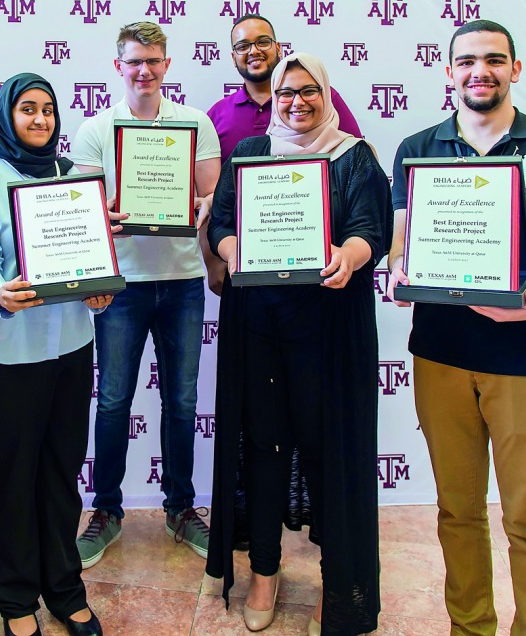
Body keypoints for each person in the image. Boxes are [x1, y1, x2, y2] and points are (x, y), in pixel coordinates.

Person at [387, 19, 526, 636]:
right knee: (457, 510)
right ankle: (468, 627)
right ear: (448, 72)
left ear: (515, 70)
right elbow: (401, 248)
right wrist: (398, 275)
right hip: (442, 353)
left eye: (495, 60)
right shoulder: (416, 149)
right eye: (468, 61)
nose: (482, 71)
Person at [205, 52, 390, 636]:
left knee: (328, 448)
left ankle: (339, 582)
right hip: (258, 325)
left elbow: (372, 229)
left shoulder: (353, 155)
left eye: (310, 91)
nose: (297, 102)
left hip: (331, 327)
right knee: (262, 445)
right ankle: (263, 571)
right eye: (287, 92)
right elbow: (223, 223)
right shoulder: (250, 155)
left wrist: (349, 256)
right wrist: (235, 252)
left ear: (328, 95)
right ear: (273, 97)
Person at [0, 73, 115, 636]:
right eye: (28, 109)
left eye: (48, 109)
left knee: (60, 475)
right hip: (5, 355)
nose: (41, 119)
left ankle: (65, 590)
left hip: (69, 349)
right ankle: (18, 602)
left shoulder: (75, 179)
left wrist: (98, 293)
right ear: (6, 115)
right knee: (12, 481)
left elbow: (91, 265)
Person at [70, 21, 222, 568]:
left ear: (167, 65)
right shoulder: (95, 130)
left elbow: (211, 195)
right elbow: (84, 206)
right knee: (112, 401)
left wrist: (204, 209)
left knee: (181, 402)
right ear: (119, 66)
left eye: (153, 60)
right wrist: (101, 218)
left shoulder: (194, 122)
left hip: (181, 283)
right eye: (134, 61)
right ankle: (106, 510)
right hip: (122, 285)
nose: (144, 70)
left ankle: (181, 508)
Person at [204, 15, 364, 296]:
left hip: (321, 270)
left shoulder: (326, 101)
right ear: (233, 57)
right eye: (243, 46)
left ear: (278, 48)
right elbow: (216, 201)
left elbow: (351, 162)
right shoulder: (217, 115)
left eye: (262, 42)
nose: (253, 51)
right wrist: (216, 259)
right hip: (251, 269)